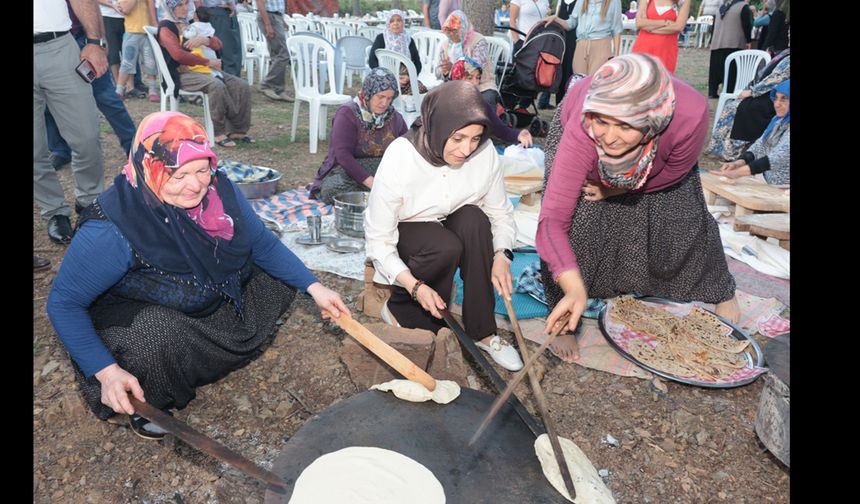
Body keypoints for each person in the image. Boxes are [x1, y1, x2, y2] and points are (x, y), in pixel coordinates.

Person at [46, 111, 350, 438]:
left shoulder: (220, 190)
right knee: (157, 337)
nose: (196, 185)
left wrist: (314, 287)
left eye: (202, 169)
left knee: (277, 277)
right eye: (178, 175)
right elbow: (63, 304)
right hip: (144, 316)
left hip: (203, 296)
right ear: (149, 169)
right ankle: (149, 396)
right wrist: (105, 373)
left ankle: (209, 357)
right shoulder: (111, 230)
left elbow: (261, 242)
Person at [536, 54, 739, 360]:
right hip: (580, 135)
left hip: (659, 161)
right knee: (581, 222)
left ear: (651, 122)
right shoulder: (584, 127)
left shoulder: (690, 117)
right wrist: (573, 287)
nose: (609, 137)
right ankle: (566, 314)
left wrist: (616, 188)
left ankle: (719, 289)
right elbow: (552, 221)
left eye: (624, 126)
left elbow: (673, 173)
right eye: (602, 121)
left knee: (685, 216)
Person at [364, 81, 524, 372]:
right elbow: (378, 240)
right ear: (437, 127)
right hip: (407, 228)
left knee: (476, 221)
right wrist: (415, 287)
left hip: (450, 218)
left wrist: (503, 254)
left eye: (475, 138)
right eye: (458, 138)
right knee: (444, 246)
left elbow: (500, 212)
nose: (467, 149)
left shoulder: (484, 153)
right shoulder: (402, 156)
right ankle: (404, 310)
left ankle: (483, 332)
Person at [34, 0, 108, 244]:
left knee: (86, 135)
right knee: (34, 149)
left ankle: (89, 201)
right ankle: (54, 211)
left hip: (58, 45)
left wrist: (95, 43)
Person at [46, 0, 137, 170]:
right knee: (46, 104)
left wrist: (99, 41)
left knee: (106, 97)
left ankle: (133, 145)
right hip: (43, 48)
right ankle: (59, 150)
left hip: (79, 41)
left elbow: (91, 3)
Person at [157, 0, 255, 147]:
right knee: (216, 85)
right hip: (180, 74)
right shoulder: (166, 27)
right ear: (171, 8)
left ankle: (237, 130)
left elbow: (218, 44)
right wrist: (207, 62)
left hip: (203, 70)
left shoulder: (190, 23)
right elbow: (178, 55)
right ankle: (218, 133)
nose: (185, 8)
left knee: (241, 85)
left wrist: (206, 40)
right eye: (179, 5)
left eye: (186, 4)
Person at [308, 68, 408, 204]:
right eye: (380, 97)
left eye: (389, 98)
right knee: (332, 190)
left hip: (383, 169)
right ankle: (379, 196)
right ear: (368, 93)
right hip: (347, 171)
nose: (385, 103)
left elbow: (406, 149)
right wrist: (373, 184)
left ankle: (377, 196)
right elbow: (343, 156)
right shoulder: (347, 114)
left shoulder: (395, 118)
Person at [706, 47, 788, 160]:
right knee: (735, 105)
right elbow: (766, 75)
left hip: (778, 97)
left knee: (740, 108)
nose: (789, 35)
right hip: (769, 93)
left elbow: (777, 78)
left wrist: (752, 91)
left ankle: (733, 152)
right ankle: (722, 148)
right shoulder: (785, 52)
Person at [450, 57, 533, 148]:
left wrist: (518, 134)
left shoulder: (479, 105)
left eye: (478, 78)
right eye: (469, 78)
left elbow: (500, 129)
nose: (475, 83)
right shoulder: (446, 102)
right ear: (457, 78)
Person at [718, 80, 789, 185]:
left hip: (783, 186)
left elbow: (777, 158)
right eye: (776, 98)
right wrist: (739, 162)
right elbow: (760, 145)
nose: (777, 104)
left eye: (784, 99)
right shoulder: (778, 120)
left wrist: (738, 172)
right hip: (766, 178)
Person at [437, 11, 499, 108]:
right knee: (438, 101)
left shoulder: (478, 41)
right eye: (448, 30)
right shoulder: (445, 44)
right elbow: (437, 72)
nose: (451, 34)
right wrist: (444, 71)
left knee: (486, 100)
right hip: (454, 86)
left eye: (454, 30)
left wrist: (452, 67)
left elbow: (476, 68)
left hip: (481, 85)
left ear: (463, 29)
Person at [368, 10, 424, 93]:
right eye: (392, 21)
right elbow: (372, 61)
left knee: (420, 90)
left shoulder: (409, 40)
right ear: (388, 24)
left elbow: (417, 63)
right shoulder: (381, 38)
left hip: (405, 79)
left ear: (403, 23)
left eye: (399, 20)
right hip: (385, 78)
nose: (395, 23)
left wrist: (409, 76)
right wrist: (389, 77)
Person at [114, 0, 160, 102]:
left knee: (150, 63)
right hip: (131, 32)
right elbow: (125, 9)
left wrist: (154, 23)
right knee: (127, 62)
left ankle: (152, 90)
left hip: (147, 32)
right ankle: (119, 90)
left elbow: (152, 6)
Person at [707, 0, 752, 98]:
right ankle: (729, 91)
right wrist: (748, 40)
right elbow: (746, 25)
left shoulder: (721, 7)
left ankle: (712, 91)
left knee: (715, 70)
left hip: (717, 42)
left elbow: (713, 26)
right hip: (734, 42)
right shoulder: (743, 7)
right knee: (731, 71)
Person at [631, 0, 691, 74]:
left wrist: (650, 28)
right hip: (643, 48)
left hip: (666, 51)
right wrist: (666, 22)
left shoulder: (684, 1)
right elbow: (639, 23)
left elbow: (678, 27)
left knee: (663, 81)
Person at [565, 0, 623, 75]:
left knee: (596, 82)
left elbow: (616, 29)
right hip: (581, 47)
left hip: (601, 48)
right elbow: (571, 23)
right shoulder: (581, 1)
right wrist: (555, 19)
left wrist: (616, 57)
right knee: (578, 83)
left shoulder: (614, 2)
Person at [255, 0, 294, 102]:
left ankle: (278, 89)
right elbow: (260, 3)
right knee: (283, 54)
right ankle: (267, 84)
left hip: (276, 16)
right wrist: (268, 24)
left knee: (276, 55)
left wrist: (282, 20)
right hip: (269, 17)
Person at [194, 1, 243, 77]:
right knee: (230, 59)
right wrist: (231, 4)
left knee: (216, 56)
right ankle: (230, 86)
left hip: (210, 12)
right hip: (221, 12)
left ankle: (224, 84)